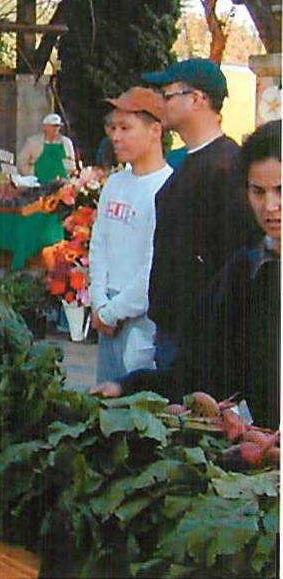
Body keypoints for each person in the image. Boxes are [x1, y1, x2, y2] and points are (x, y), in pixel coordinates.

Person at [92, 120, 280, 428]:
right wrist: (130, 387)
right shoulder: (245, 271)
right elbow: (205, 368)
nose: (270, 206)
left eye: (281, 190)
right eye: (258, 192)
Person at [138, 58, 255, 371]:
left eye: (168, 95)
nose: (160, 103)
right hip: (173, 332)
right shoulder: (188, 162)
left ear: (197, 99)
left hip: (200, 343)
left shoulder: (228, 167)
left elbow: (231, 261)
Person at [87, 88, 173, 382]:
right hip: (106, 312)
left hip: (140, 320)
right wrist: (98, 300)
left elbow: (155, 266)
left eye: (126, 128)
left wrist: (113, 312)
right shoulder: (115, 183)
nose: (116, 137)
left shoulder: (167, 188)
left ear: (155, 131)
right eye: (112, 127)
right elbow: (99, 244)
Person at [18, 112, 78, 182]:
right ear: (45, 127)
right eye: (53, 126)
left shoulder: (67, 142)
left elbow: (72, 163)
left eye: (58, 126)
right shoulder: (33, 142)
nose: (56, 129)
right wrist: (31, 176)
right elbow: (22, 161)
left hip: (62, 184)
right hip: (39, 185)